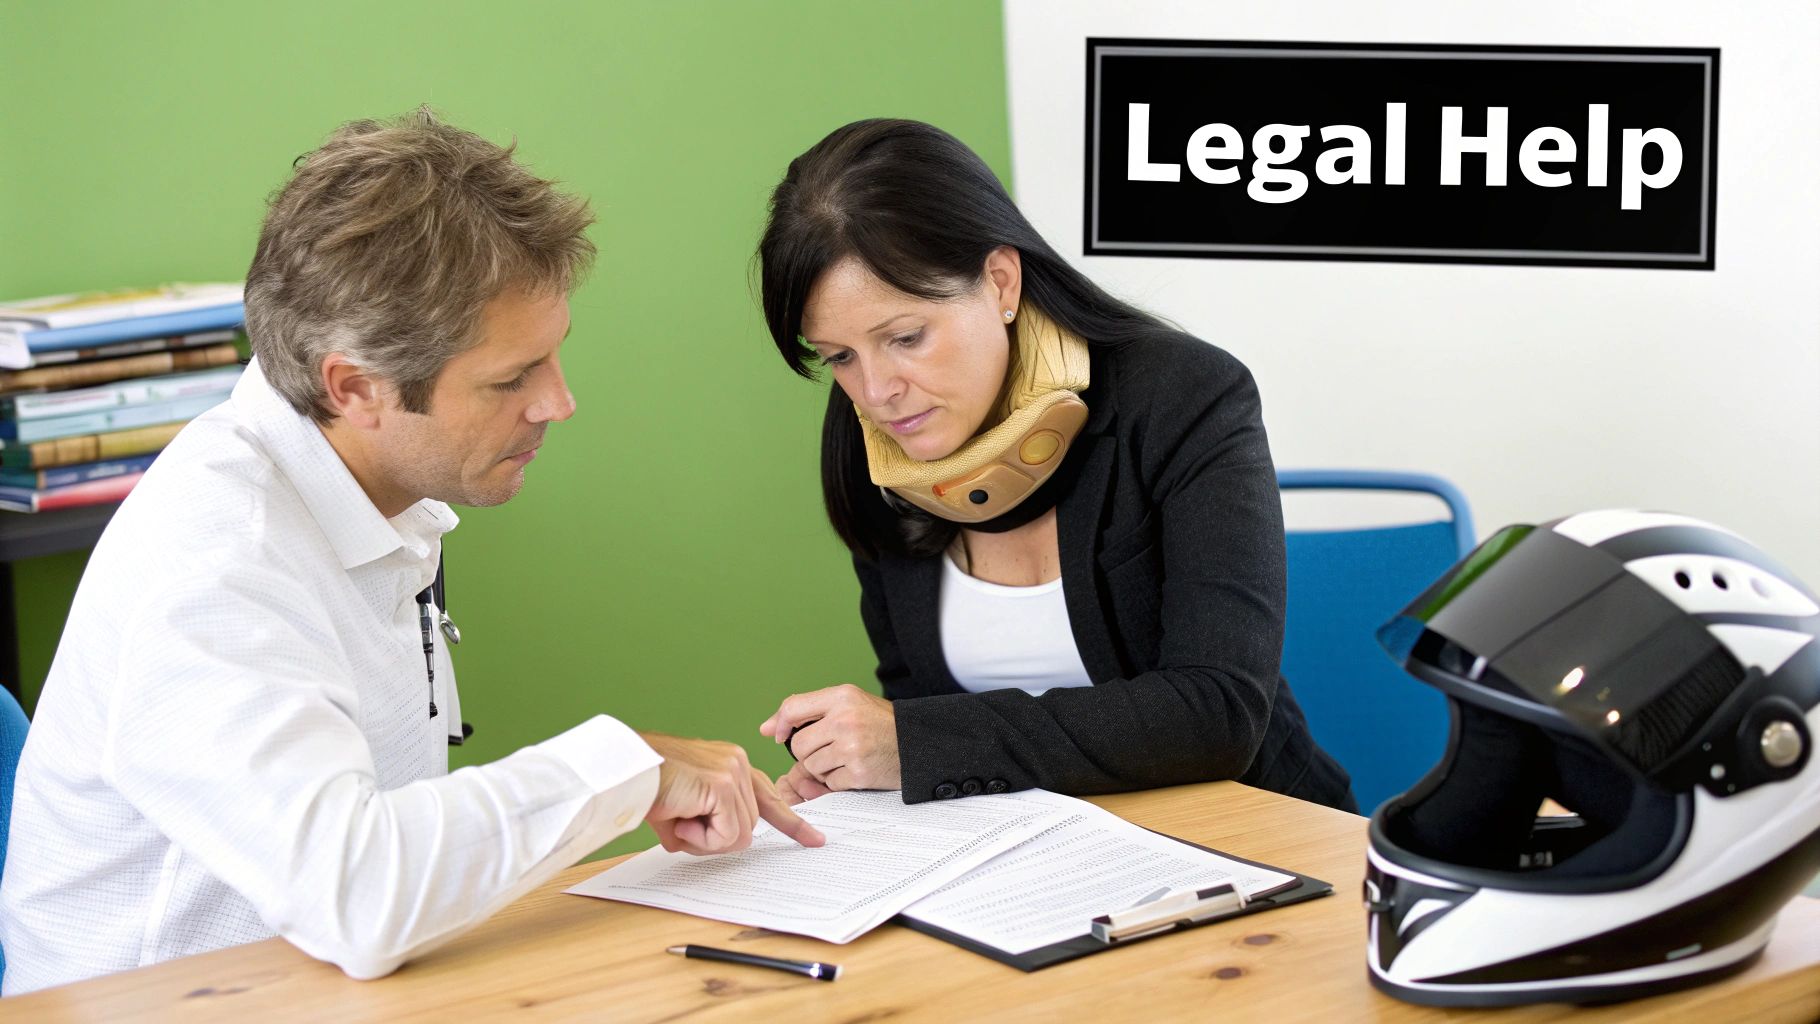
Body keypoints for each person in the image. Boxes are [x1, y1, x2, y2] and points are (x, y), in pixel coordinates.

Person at [0, 108, 822, 996]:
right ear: (355, 387)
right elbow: (354, 889)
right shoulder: (215, 560)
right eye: (512, 379)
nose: (559, 403)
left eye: (552, 358)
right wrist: (629, 767)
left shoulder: (375, 491)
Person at [752, 119, 1356, 813]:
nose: (877, 391)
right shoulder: (876, 447)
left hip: (1258, 842)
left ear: (1001, 281)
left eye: (906, 337)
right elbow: (921, 717)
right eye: (839, 357)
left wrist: (915, 741)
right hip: (1035, 867)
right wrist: (858, 769)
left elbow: (1219, 714)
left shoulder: (1183, 396)